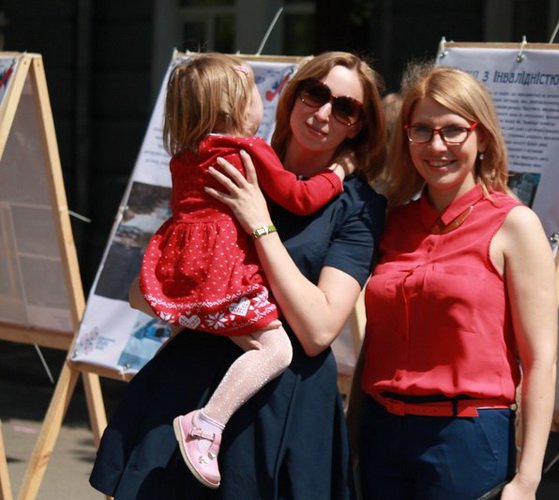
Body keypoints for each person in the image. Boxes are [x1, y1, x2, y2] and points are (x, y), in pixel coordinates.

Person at [89, 51, 387, 499]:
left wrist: (260, 224)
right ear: (292, 96)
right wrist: (196, 308)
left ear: (359, 125)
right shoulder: (233, 159)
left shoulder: (357, 206)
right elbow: (146, 292)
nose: (324, 113)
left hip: (281, 405)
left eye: (345, 108)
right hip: (189, 384)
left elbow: (317, 331)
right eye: (315, 94)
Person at [356, 65, 558, 499]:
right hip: (380, 435)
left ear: (481, 137)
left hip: (465, 438)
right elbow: (373, 344)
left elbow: (541, 360)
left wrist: (528, 479)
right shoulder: (392, 221)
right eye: (422, 130)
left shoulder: (515, 225)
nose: (436, 145)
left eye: (452, 130)